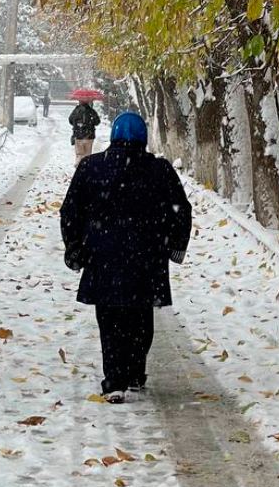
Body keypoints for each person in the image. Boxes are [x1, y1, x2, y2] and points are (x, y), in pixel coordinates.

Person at [60, 112, 192, 403]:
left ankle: (115, 381)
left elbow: (70, 211)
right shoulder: (159, 170)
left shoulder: (92, 168)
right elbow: (181, 209)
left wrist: (75, 248)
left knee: (109, 321)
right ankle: (134, 372)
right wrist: (175, 247)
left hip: (103, 259)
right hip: (146, 260)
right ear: (143, 138)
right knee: (141, 318)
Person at [68, 100, 100, 164]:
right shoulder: (91, 111)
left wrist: (77, 124)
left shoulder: (76, 110)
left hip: (78, 135)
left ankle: (78, 167)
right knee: (87, 155)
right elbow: (97, 122)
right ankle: (86, 167)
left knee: (79, 154)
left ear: (80, 102)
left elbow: (70, 120)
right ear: (88, 102)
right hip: (89, 136)